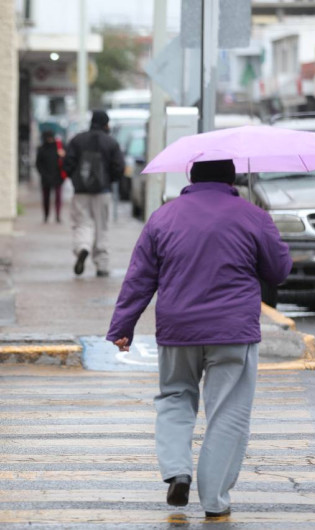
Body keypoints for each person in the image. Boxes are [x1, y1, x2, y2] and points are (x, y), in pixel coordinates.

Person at [106, 159, 292, 519]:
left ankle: (177, 470)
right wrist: (265, 228)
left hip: (179, 329)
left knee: (175, 397)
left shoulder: (164, 217)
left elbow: (140, 277)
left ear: (191, 177)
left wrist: (122, 326)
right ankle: (215, 501)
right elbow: (278, 270)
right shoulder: (251, 215)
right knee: (228, 413)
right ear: (232, 178)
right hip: (232, 331)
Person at [63, 109, 125, 277]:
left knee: (81, 223)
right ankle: (102, 264)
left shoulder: (77, 140)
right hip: (103, 192)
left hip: (80, 192)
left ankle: (82, 247)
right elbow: (119, 167)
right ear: (105, 124)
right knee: (102, 226)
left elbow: (67, 164)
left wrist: (76, 179)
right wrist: (109, 181)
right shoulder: (111, 142)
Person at [35, 129, 65, 223]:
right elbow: (38, 163)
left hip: (57, 177)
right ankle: (46, 215)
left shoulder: (59, 147)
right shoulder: (42, 148)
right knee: (46, 198)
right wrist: (43, 173)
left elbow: (64, 161)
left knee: (58, 197)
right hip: (46, 177)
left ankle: (57, 215)